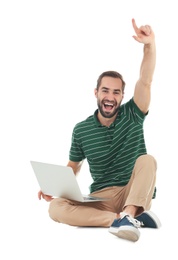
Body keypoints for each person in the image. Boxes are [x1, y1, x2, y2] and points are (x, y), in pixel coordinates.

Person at [38, 18, 161, 242]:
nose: (110, 97)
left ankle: (130, 212)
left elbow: (145, 81)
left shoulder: (133, 113)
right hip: (100, 197)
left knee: (147, 160)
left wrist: (149, 45)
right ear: (96, 93)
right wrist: (52, 187)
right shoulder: (82, 129)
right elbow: (73, 167)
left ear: (122, 97)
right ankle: (119, 219)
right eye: (105, 91)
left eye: (116, 92)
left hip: (131, 191)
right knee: (55, 208)